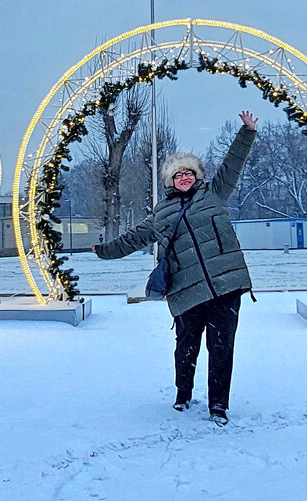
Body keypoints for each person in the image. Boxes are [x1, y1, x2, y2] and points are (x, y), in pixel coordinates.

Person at [93, 111, 259, 426]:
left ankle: (218, 405)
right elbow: (133, 239)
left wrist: (247, 131)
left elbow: (234, 162)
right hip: (185, 291)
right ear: (170, 181)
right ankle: (183, 394)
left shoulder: (215, 194)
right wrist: (103, 251)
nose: (185, 177)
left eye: (190, 173)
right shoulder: (161, 213)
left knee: (221, 347)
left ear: (197, 176)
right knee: (186, 345)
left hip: (225, 285)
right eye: (178, 174)